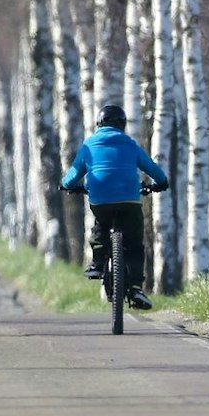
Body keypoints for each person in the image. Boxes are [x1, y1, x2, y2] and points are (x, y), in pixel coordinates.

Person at [60, 103, 169, 310]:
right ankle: (136, 288)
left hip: (100, 198)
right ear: (123, 125)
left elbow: (73, 174)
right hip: (129, 198)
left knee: (100, 224)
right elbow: (152, 168)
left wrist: (66, 186)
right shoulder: (130, 144)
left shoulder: (89, 145)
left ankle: (98, 263)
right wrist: (161, 182)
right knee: (135, 243)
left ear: (99, 124)